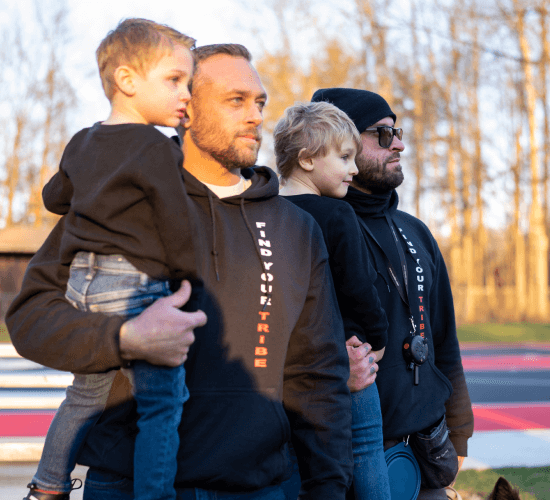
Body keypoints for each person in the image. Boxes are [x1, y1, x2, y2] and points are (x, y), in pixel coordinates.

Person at [7, 44, 353, 500]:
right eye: (236, 101)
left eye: (259, 102)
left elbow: (318, 371)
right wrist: (124, 338)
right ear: (185, 108)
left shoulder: (296, 226)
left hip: (258, 487)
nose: (255, 116)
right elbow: (31, 318)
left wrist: (328, 488)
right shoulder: (117, 198)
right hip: (126, 484)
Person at [22, 18, 201, 500]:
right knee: (163, 404)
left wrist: (95, 195)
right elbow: (176, 219)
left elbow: (55, 195)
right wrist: (190, 275)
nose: (186, 92)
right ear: (127, 81)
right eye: (174, 80)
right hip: (133, 284)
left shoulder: (82, 140)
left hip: (82, 283)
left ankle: (47, 487)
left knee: (84, 396)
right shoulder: (155, 148)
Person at [311, 88, 474, 500]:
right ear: (340, 140)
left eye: (396, 132)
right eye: (382, 134)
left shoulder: (416, 231)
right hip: (345, 460)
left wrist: (460, 433)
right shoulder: (307, 225)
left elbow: (442, 338)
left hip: (425, 457)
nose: (398, 143)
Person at [275, 101, 391, 500]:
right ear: (307, 160)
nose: (354, 170)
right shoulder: (337, 214)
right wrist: (377, 339)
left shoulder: (263, 212)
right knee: (365, 450)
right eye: (344, 157)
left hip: (286, 367)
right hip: (347, 352)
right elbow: (360, 289)